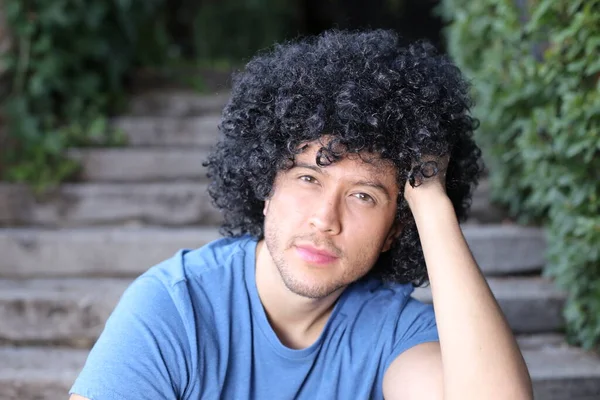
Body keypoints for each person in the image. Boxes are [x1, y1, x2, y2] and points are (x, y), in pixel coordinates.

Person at [70, 29, 533, 399]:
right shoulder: (175, 308)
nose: (325, 219)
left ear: (395, 231)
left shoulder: (395, 330)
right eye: (309, 178)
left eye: (364, 196)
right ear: (266, 187)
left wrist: (430, 200)